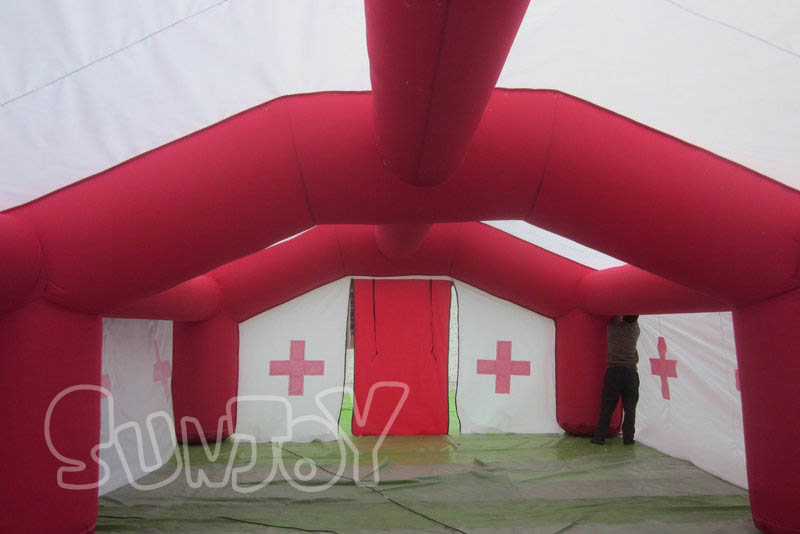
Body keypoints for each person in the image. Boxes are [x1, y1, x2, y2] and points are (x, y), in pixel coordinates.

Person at [591, 315, 640, 445]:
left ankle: (599, 437)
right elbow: (634, 319)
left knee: (607, 407)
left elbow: (613, 314)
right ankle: (628, 438)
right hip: (630, 373)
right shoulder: (635, 331)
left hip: (614, 372)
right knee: (630, 409)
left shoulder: (612, 329)